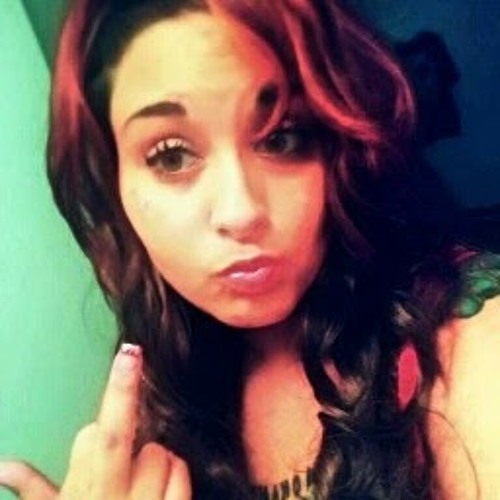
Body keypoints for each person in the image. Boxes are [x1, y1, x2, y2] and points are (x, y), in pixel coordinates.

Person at [1, 0, 499, 498]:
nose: (240, 212)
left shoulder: (465, 339)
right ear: (115, 187)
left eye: (282, 137)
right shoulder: (159, 383)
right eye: (171, 156)